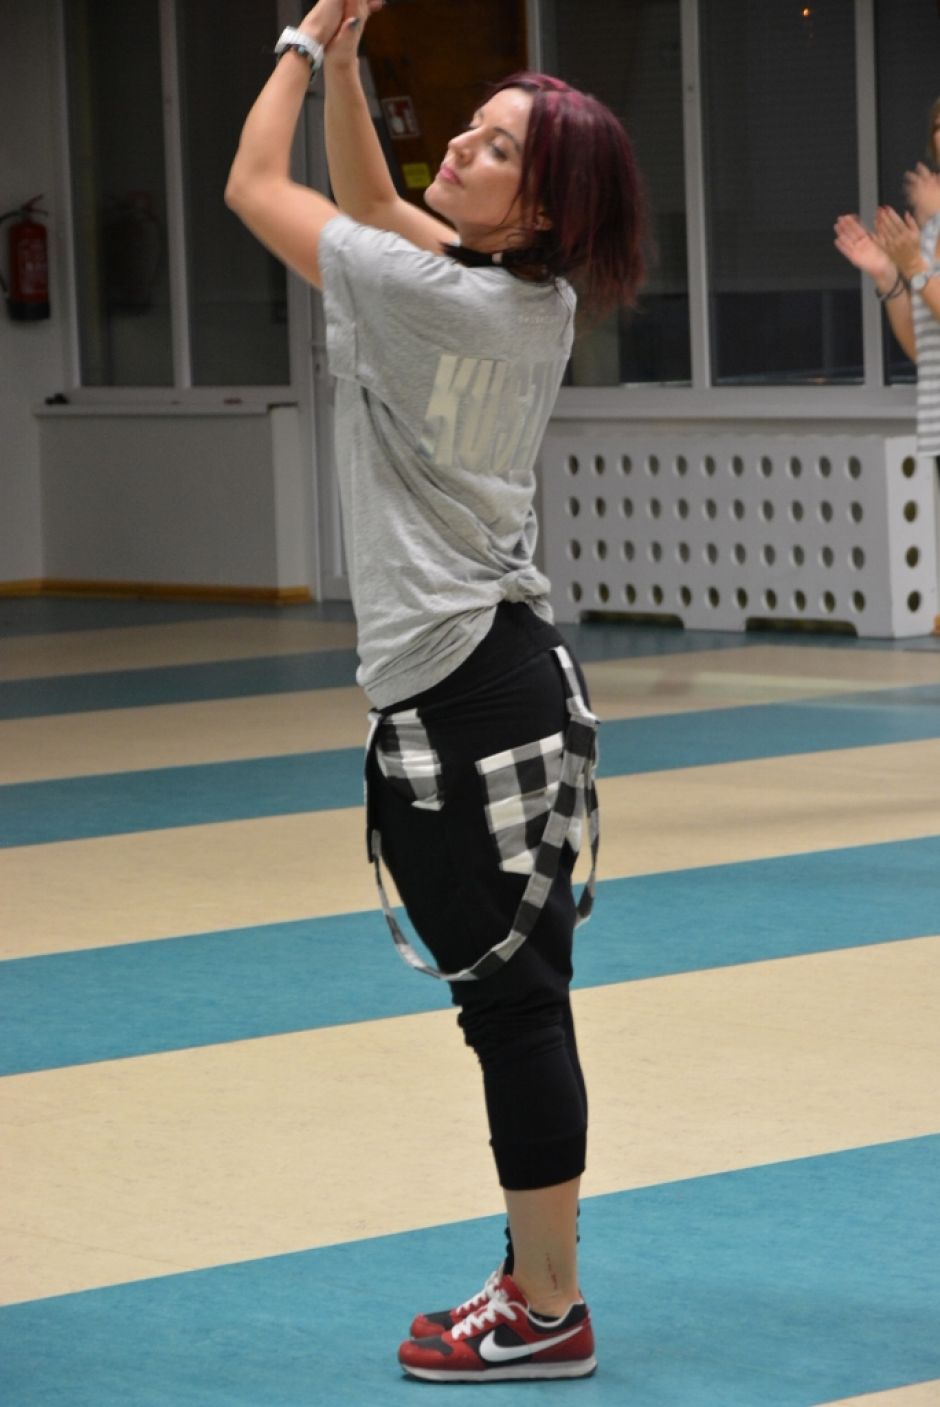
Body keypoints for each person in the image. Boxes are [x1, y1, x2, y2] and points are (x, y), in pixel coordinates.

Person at [226, 0, 645, 1382]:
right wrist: (354, 67)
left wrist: (301, 45)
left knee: (512, 1011)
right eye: (470, 126)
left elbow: (256, 185)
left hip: (468, 698)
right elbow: (372, 202)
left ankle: (548, 1310)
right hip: (500, 680)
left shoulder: (434, 299)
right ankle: (537, 1280)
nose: (460, 146)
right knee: (520, 1005)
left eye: (496, 147)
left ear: (543, 209)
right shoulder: (528, 297)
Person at [834, 97, 940, 463]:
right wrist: (888, 275)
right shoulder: (930, 231)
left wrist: (914, 266)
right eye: (938, 126)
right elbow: (925, 351)